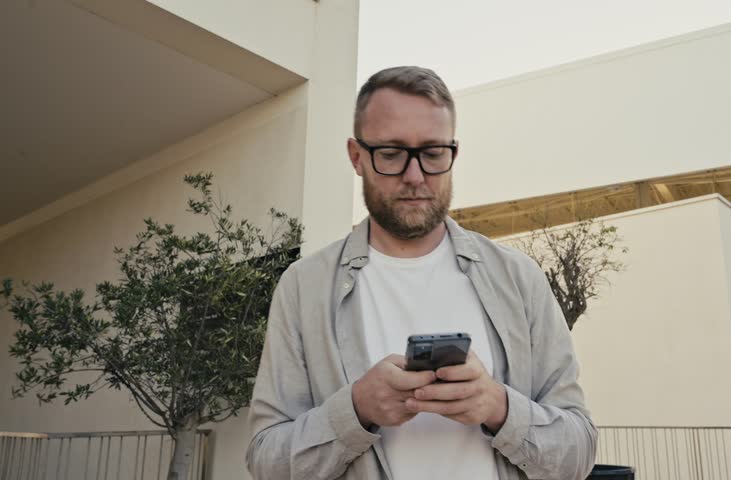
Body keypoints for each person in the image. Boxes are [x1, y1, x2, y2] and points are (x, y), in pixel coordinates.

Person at [246, 66, 597, 480]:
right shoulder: (304, 288)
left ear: (454, 154)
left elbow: (579, 452)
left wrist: (498, 407)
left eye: (432, 154)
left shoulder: (519, 279)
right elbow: (266, 460)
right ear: (356, 157)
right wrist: (355, 410)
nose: (415, 177)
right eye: (392, 154)